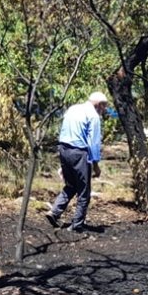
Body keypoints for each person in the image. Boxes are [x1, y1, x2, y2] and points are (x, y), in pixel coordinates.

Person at [45, 92, 109, 233]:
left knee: (71, 185)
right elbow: (93, 144)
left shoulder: (73, 108)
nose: (105, 110)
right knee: (84, 191)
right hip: (79, 152)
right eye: (105, 106)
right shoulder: (93, 116)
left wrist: (63, 161)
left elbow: (63, 131)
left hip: (63, 148)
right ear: (99, 104)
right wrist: (96, 166)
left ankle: (54, 212)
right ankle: (77, 224)